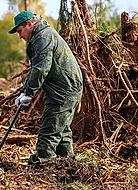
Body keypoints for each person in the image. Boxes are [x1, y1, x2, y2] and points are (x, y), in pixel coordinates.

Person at [9, 11, 83, 165]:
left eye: (20, 31)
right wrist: (24, 92)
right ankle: (68, 164)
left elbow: (41, 68)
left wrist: (29, 93)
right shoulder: (41, 36)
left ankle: (42, 164)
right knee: (61, 130)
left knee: (49, 130)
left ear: (29, 24)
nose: (20, 36)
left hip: (64, 91)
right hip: (62, 89)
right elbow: (36, 68)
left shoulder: (43, 37)